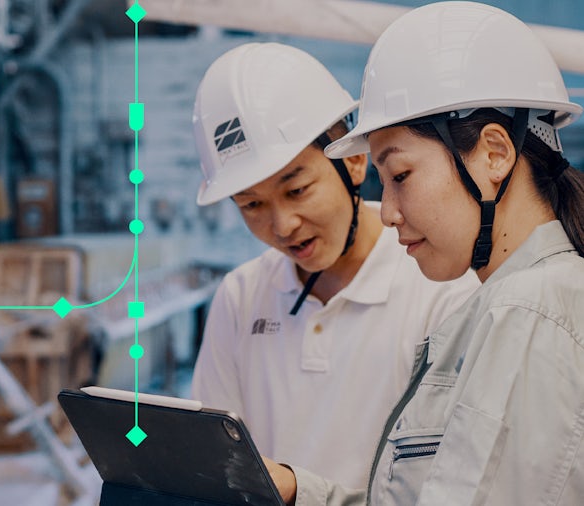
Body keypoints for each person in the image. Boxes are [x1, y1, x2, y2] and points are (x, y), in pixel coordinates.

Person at [265, 2, 584, 504]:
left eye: (401, 176)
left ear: (494, 153)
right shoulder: (510, 306)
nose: (387, 211)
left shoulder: (528, 311)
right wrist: (294, 491)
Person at [189, 43, 478, 490]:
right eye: (251, 204)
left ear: (355, 160)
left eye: (298, 190)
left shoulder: (440, 286)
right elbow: (213, 463)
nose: (282, 225)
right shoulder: (241, 295)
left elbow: (454, 480)